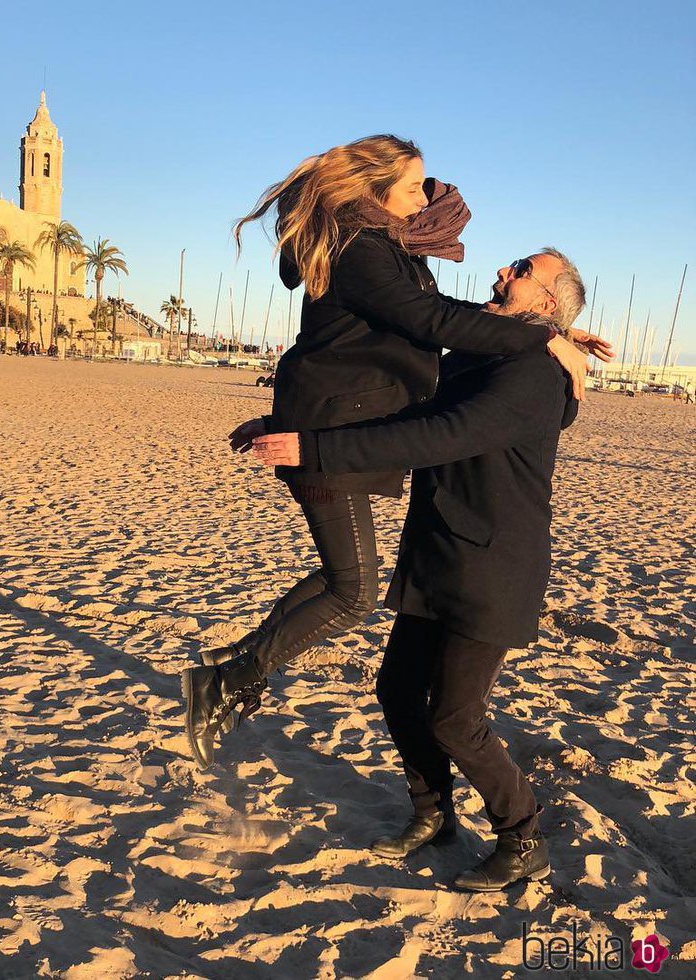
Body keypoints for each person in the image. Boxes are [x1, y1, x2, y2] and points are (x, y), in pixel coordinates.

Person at [181, 135, 612, 770]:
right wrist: (547, 335)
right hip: (332, 438)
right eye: (412, 187)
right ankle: (233, 676)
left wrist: (552, 333)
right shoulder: (362, 249)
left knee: (344, 580)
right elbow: (431, 322)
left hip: (334, 424)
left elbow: (428, 318)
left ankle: (238, 663)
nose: (423, 199)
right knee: (353, 591)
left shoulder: (381, 246)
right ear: (374, 190)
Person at [249, 249, 586, 890]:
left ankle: (523, 837)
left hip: (493, 566)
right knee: (397, 691)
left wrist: (316, 448)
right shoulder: (484, 356)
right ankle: (434, 814)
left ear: (546, 303)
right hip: (436, 549)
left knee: (456, 720)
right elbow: (404, 408)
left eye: (519, 270)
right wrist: (286, 424)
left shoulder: (532, 378)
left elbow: (439, 436)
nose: (500, 273)